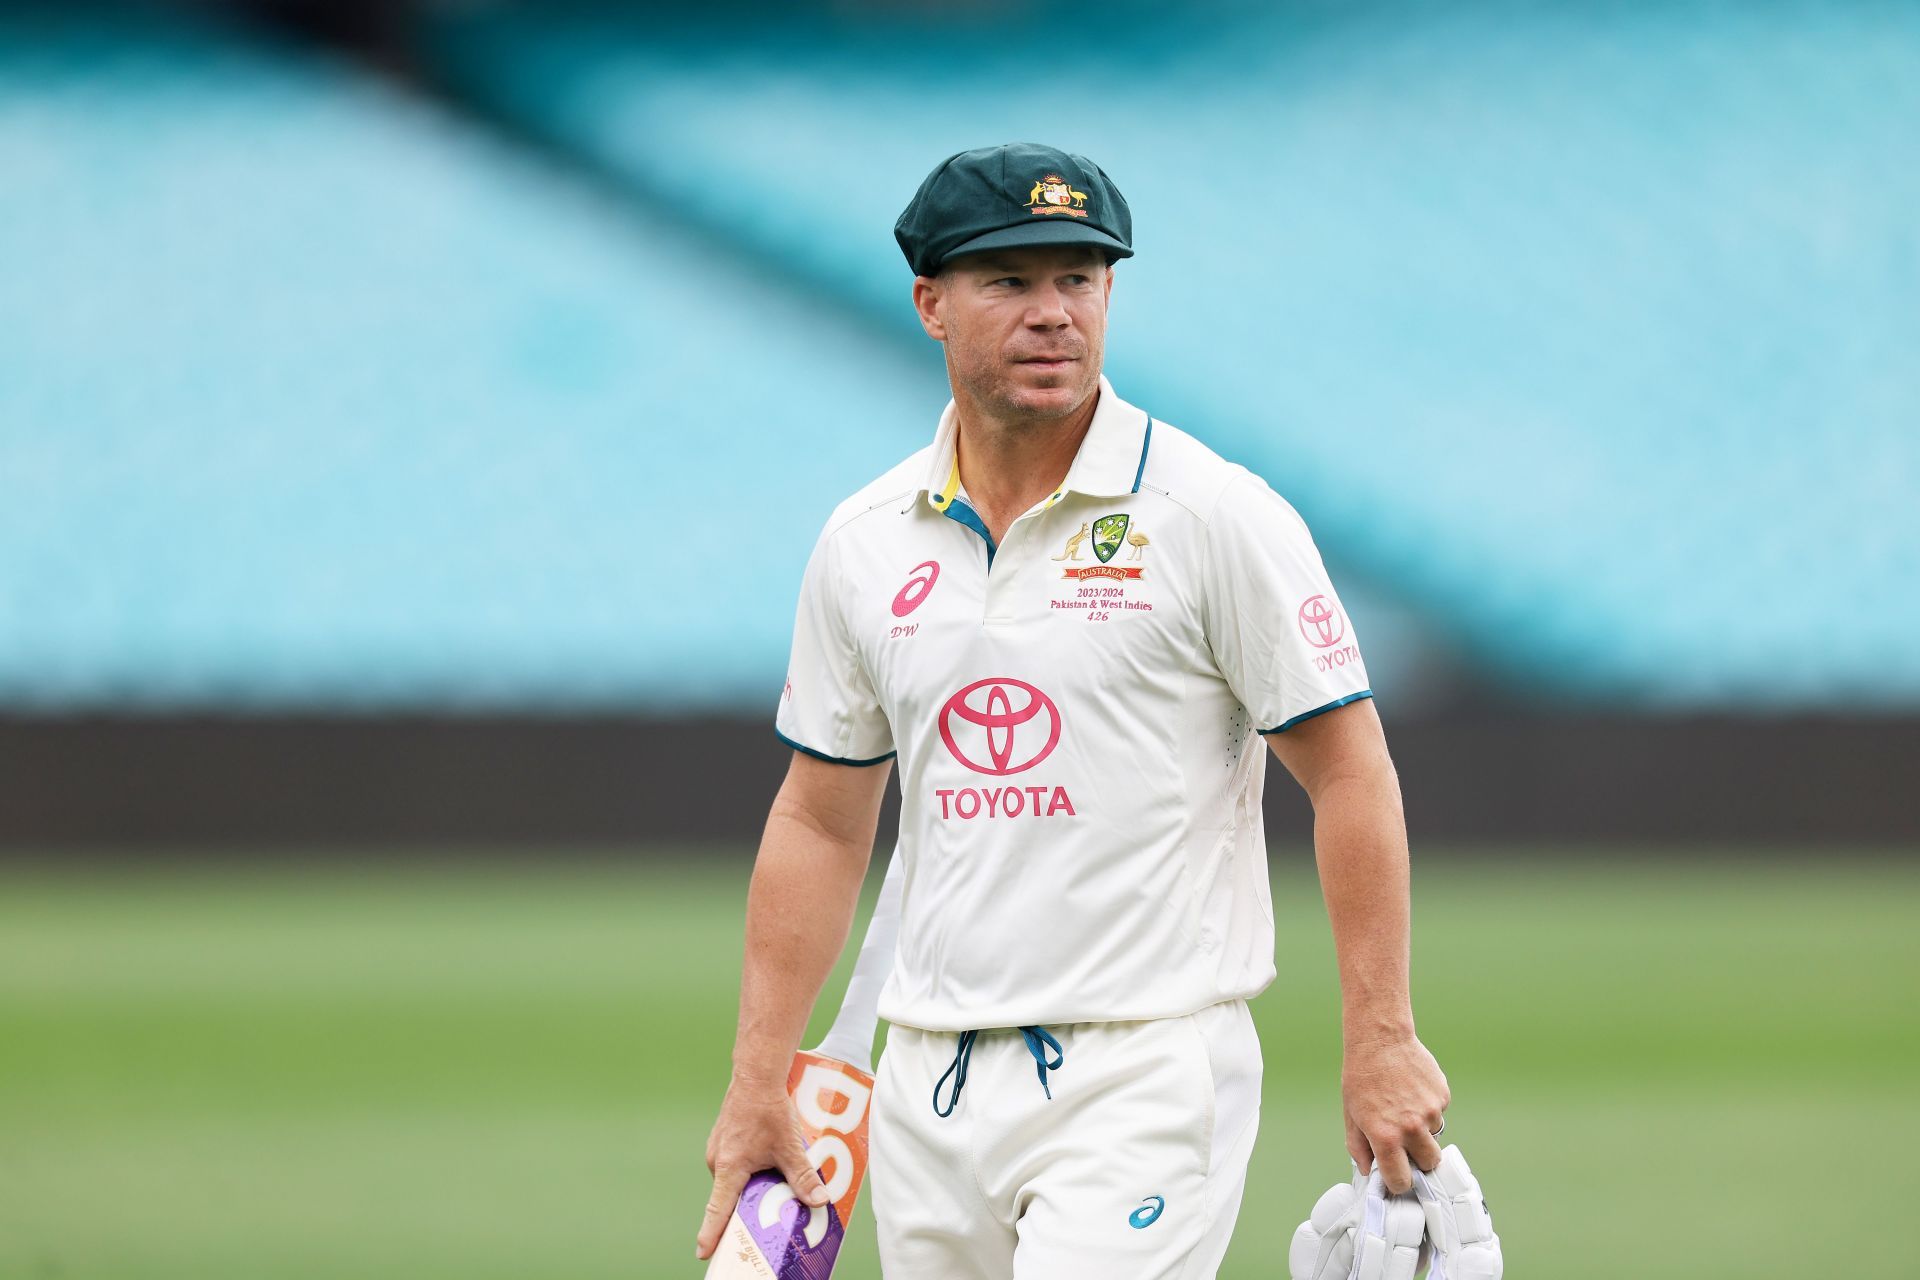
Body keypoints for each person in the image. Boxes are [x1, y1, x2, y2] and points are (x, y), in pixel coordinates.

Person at [695, 141, 1451, 1278]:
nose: (1054, 313)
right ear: (930, 304)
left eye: (1080, 278)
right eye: (1010, 281)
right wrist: (760, 1077)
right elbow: (819, 817)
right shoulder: (865, 539)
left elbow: (1350, 770)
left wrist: (1381, 1034)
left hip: (1142, 1068)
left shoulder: (1211, 513)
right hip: (927, 1081)